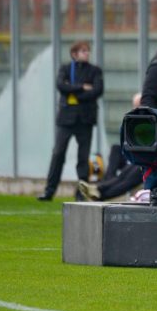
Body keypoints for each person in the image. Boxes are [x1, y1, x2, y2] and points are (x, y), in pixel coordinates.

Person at [38, 41, 104, 201]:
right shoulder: (65, 69)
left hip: (85, 120)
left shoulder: (95, 70)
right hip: (66, 119)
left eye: (87, 51)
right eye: (83, 51)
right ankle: (49, 191)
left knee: (83, 158)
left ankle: (81, 193)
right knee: (58, 153)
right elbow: (61, 86)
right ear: (74, 54)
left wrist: (73, 92)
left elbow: (97, 90)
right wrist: (82, 87)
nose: (87, 53)